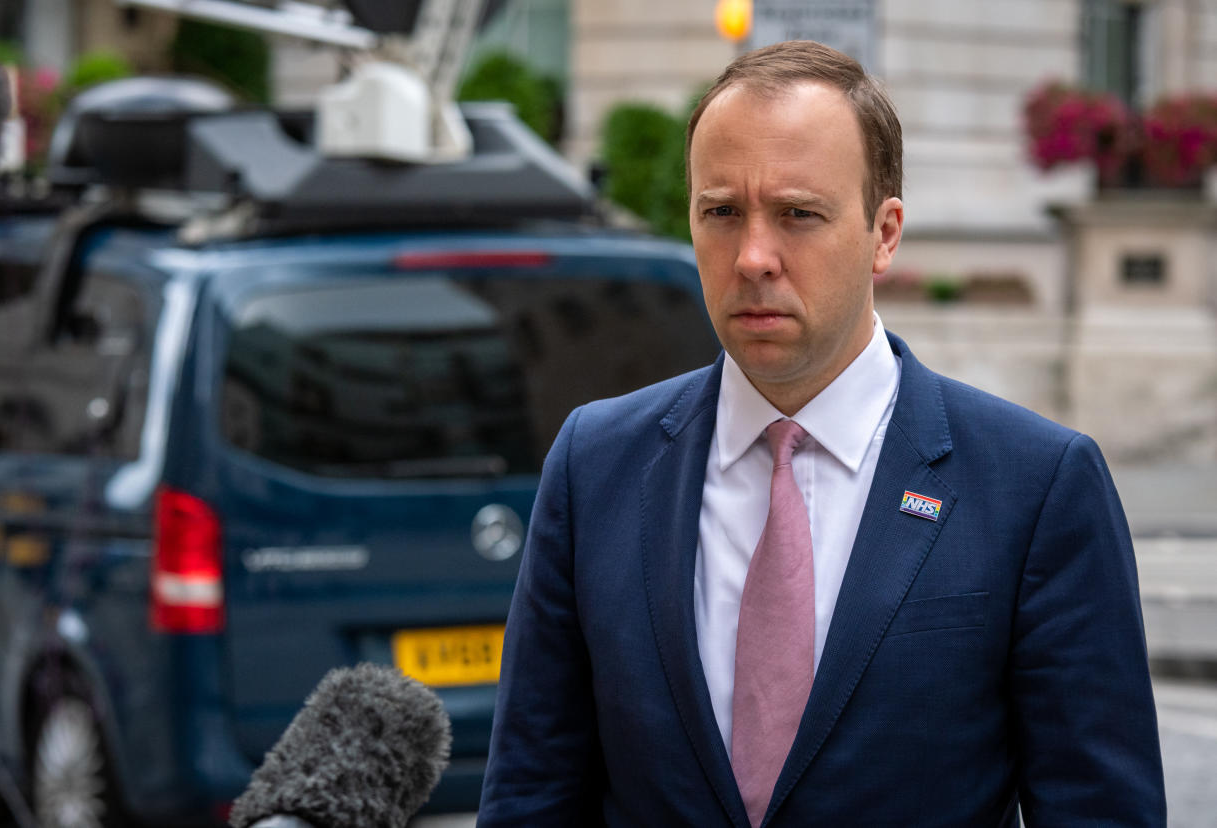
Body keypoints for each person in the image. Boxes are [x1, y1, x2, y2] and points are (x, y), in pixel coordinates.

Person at [477, 40, 1165, 827]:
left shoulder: (1037, 485)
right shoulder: (596, 463)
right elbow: (532, 794)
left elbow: (1099, 808)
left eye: (799, 214)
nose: (754, 257)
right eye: (721, 213)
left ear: (885, 233)